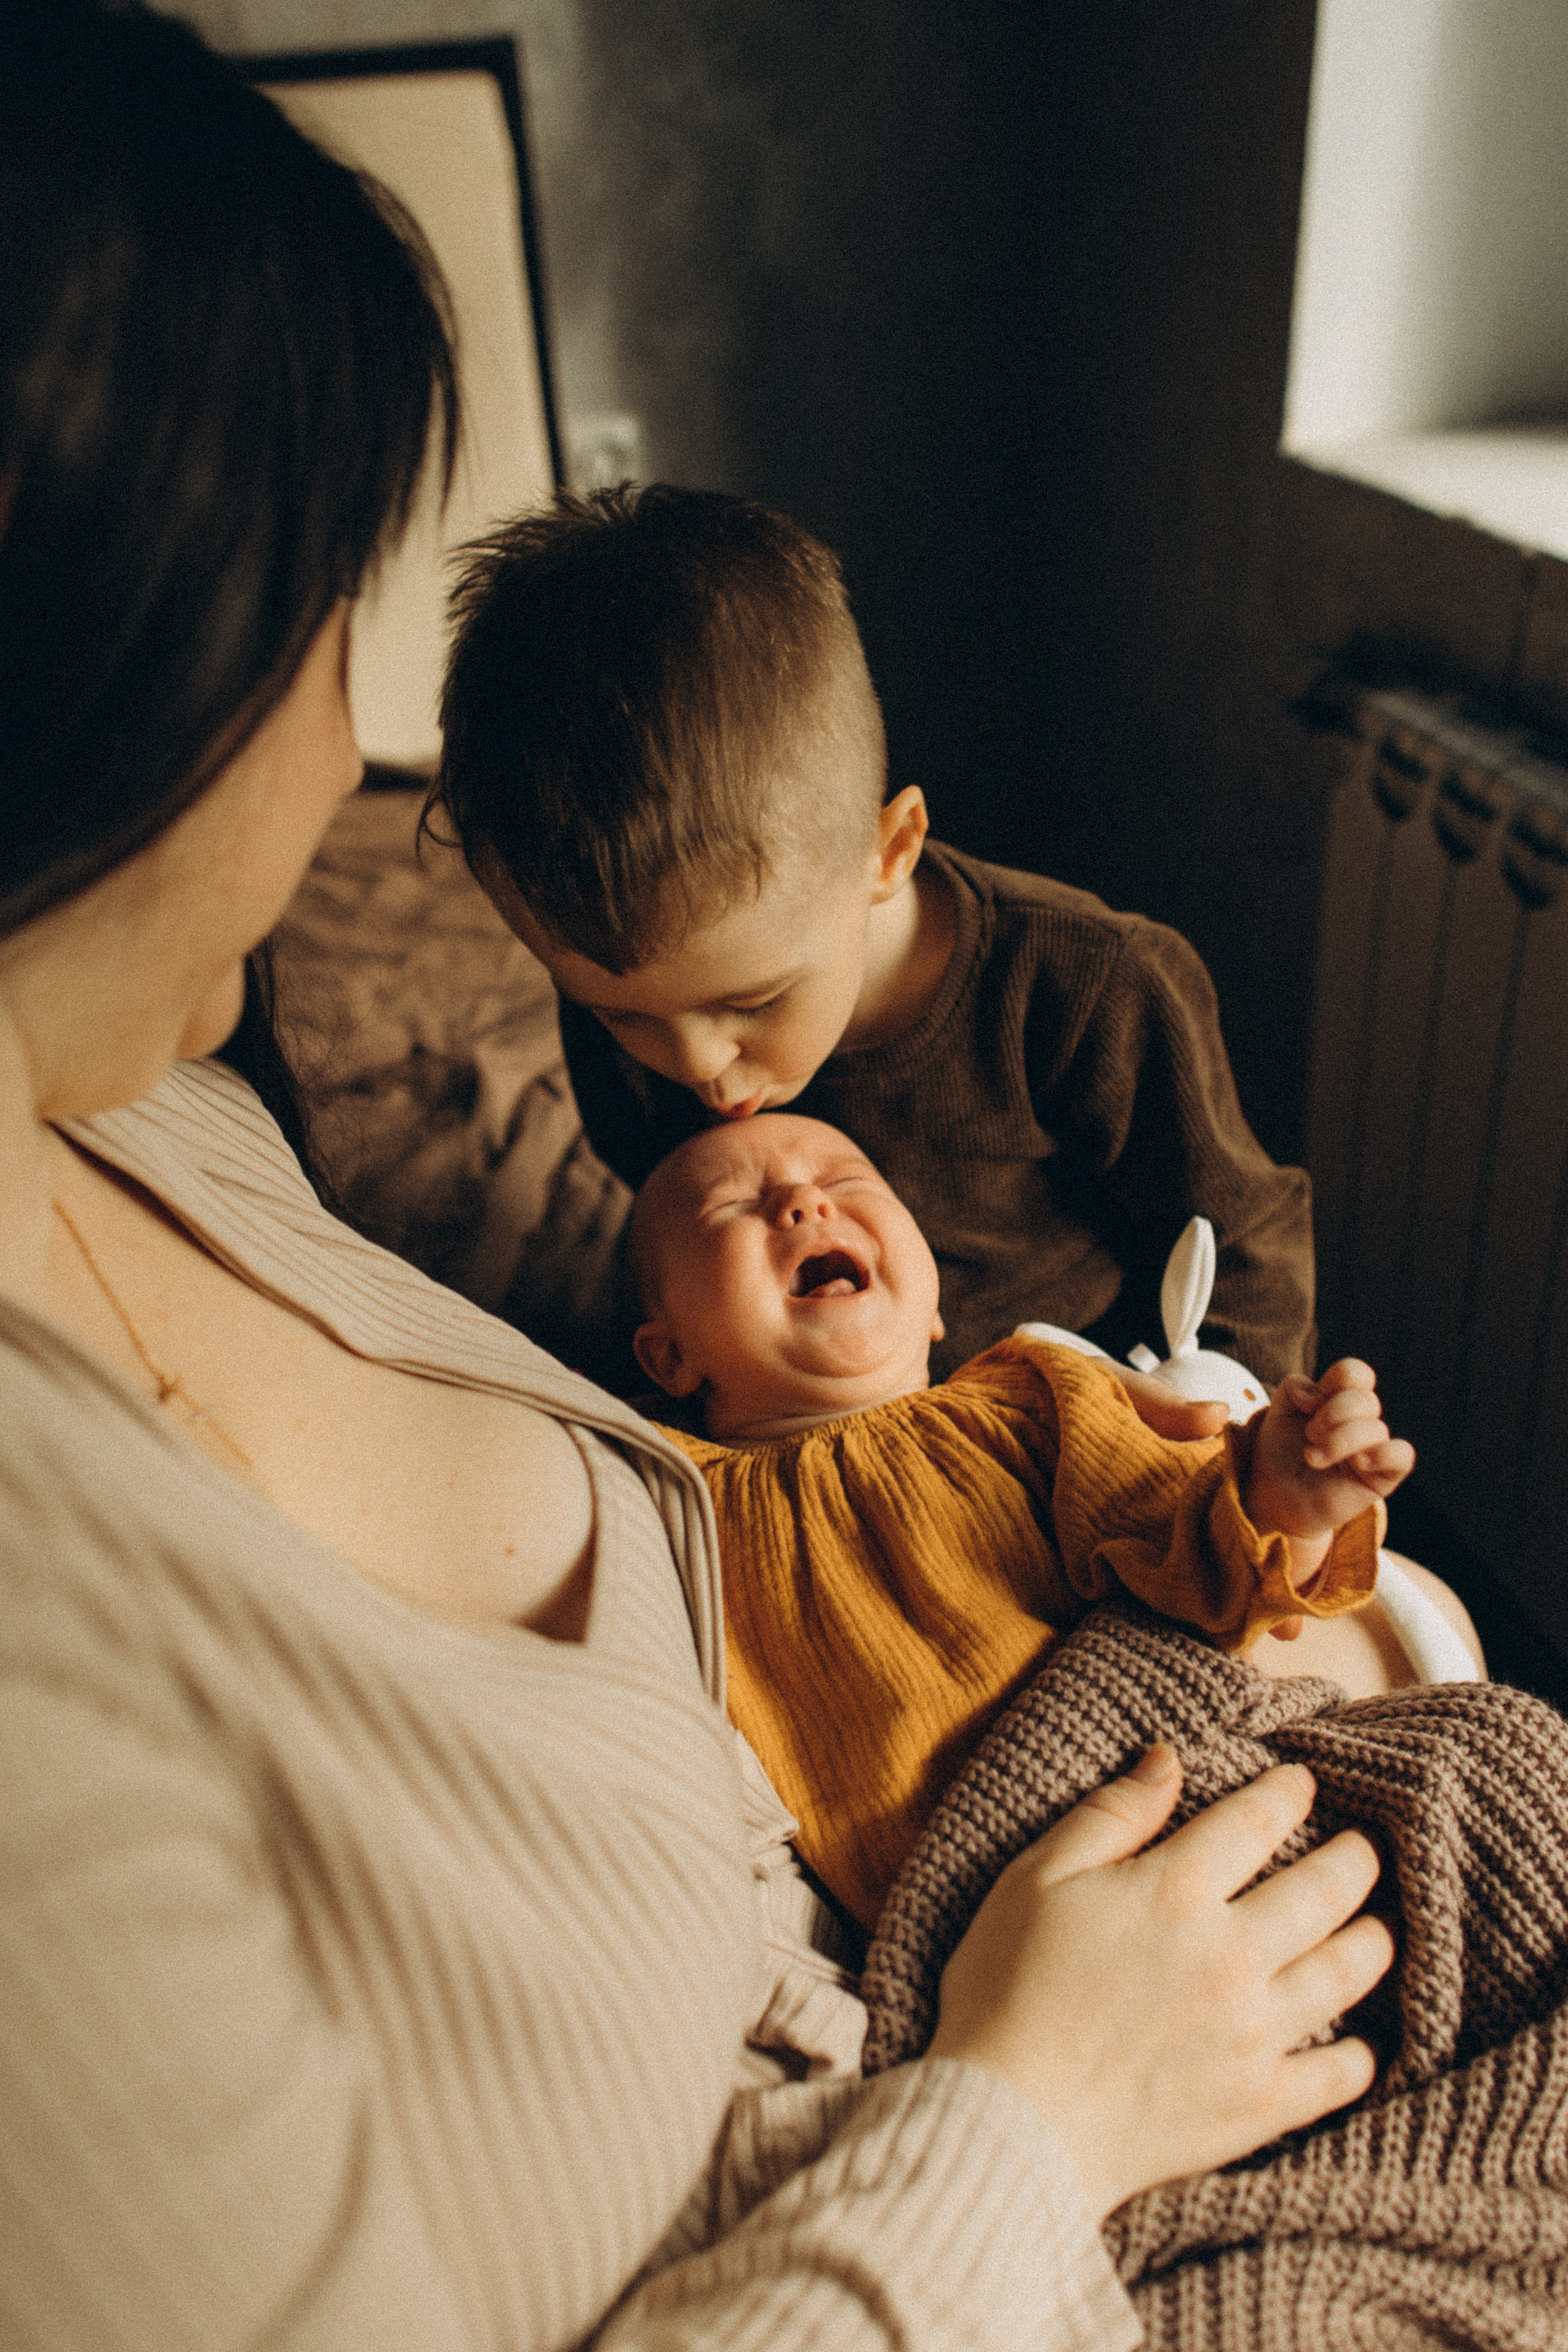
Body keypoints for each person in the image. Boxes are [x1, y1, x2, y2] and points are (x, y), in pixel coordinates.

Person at [1, 11, 1398, 2348]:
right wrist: (1025, 2111)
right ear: (127, 697)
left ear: (885, 863)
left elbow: (1223, 1276)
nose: (703, 1098)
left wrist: (1226, 1450)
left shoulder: (155, 1110)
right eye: (337, 622)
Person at [434, 483, 1316, 1392]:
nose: (697, 1066)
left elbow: (1242, 1249)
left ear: (888, 851)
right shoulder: (629, 988)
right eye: (621, 1017)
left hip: (1083, 1432)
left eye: (753, 1001)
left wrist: (1231, 1448)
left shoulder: (1088, 989)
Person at [626, 1112, 1472, 1931]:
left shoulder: (1038, 1396)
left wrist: (1285, 1506)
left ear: (934, 1310)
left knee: (1495, 1765)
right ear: (669, 1357)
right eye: (730, 1207)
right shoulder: (664, 1485)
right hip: (993, 1911)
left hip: (1173, 1778)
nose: (804, 1204)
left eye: (845, 1181)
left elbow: (1193, 1573)